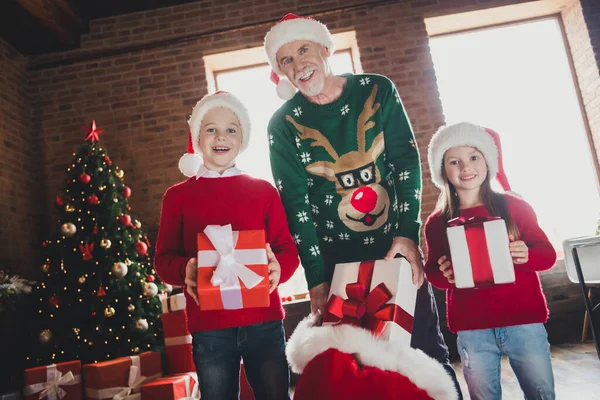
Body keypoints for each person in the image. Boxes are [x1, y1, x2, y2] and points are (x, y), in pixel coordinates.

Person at [264, 13, 462, 395]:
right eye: (285, 60)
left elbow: (405, 161)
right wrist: (317, 279)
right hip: (340, 266)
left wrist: (408, 235)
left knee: (426, 353)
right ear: (280, 72)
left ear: (324, 48)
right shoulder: (283, 125)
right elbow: (296, 205)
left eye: (303, 49)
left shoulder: (377, 90)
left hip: (394, 252)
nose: (298, 64)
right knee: (357, 367)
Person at [154, 91, 299, 400]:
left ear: (242, 137)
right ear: (197, 137)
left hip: (264, 321)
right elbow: (163, 260)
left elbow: (287, 250)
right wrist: (186, 268)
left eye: (231, 128)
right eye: (211, 129)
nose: (221, 136)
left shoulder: (264, 192)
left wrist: (278, 270)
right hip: (210, 327)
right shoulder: (177, 197)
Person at [424, 121, 556, 400]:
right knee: (483, 396)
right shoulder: (437, 222)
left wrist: (527, 254)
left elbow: (547, 255)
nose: (465, 167)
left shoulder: (515, 207)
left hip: (524, 320)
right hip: (473, 328)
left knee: (541, 392)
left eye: (474, 157)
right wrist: (443, 272)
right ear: (442, 170)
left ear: (487, 161)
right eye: (454, 161)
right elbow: (433, 272)